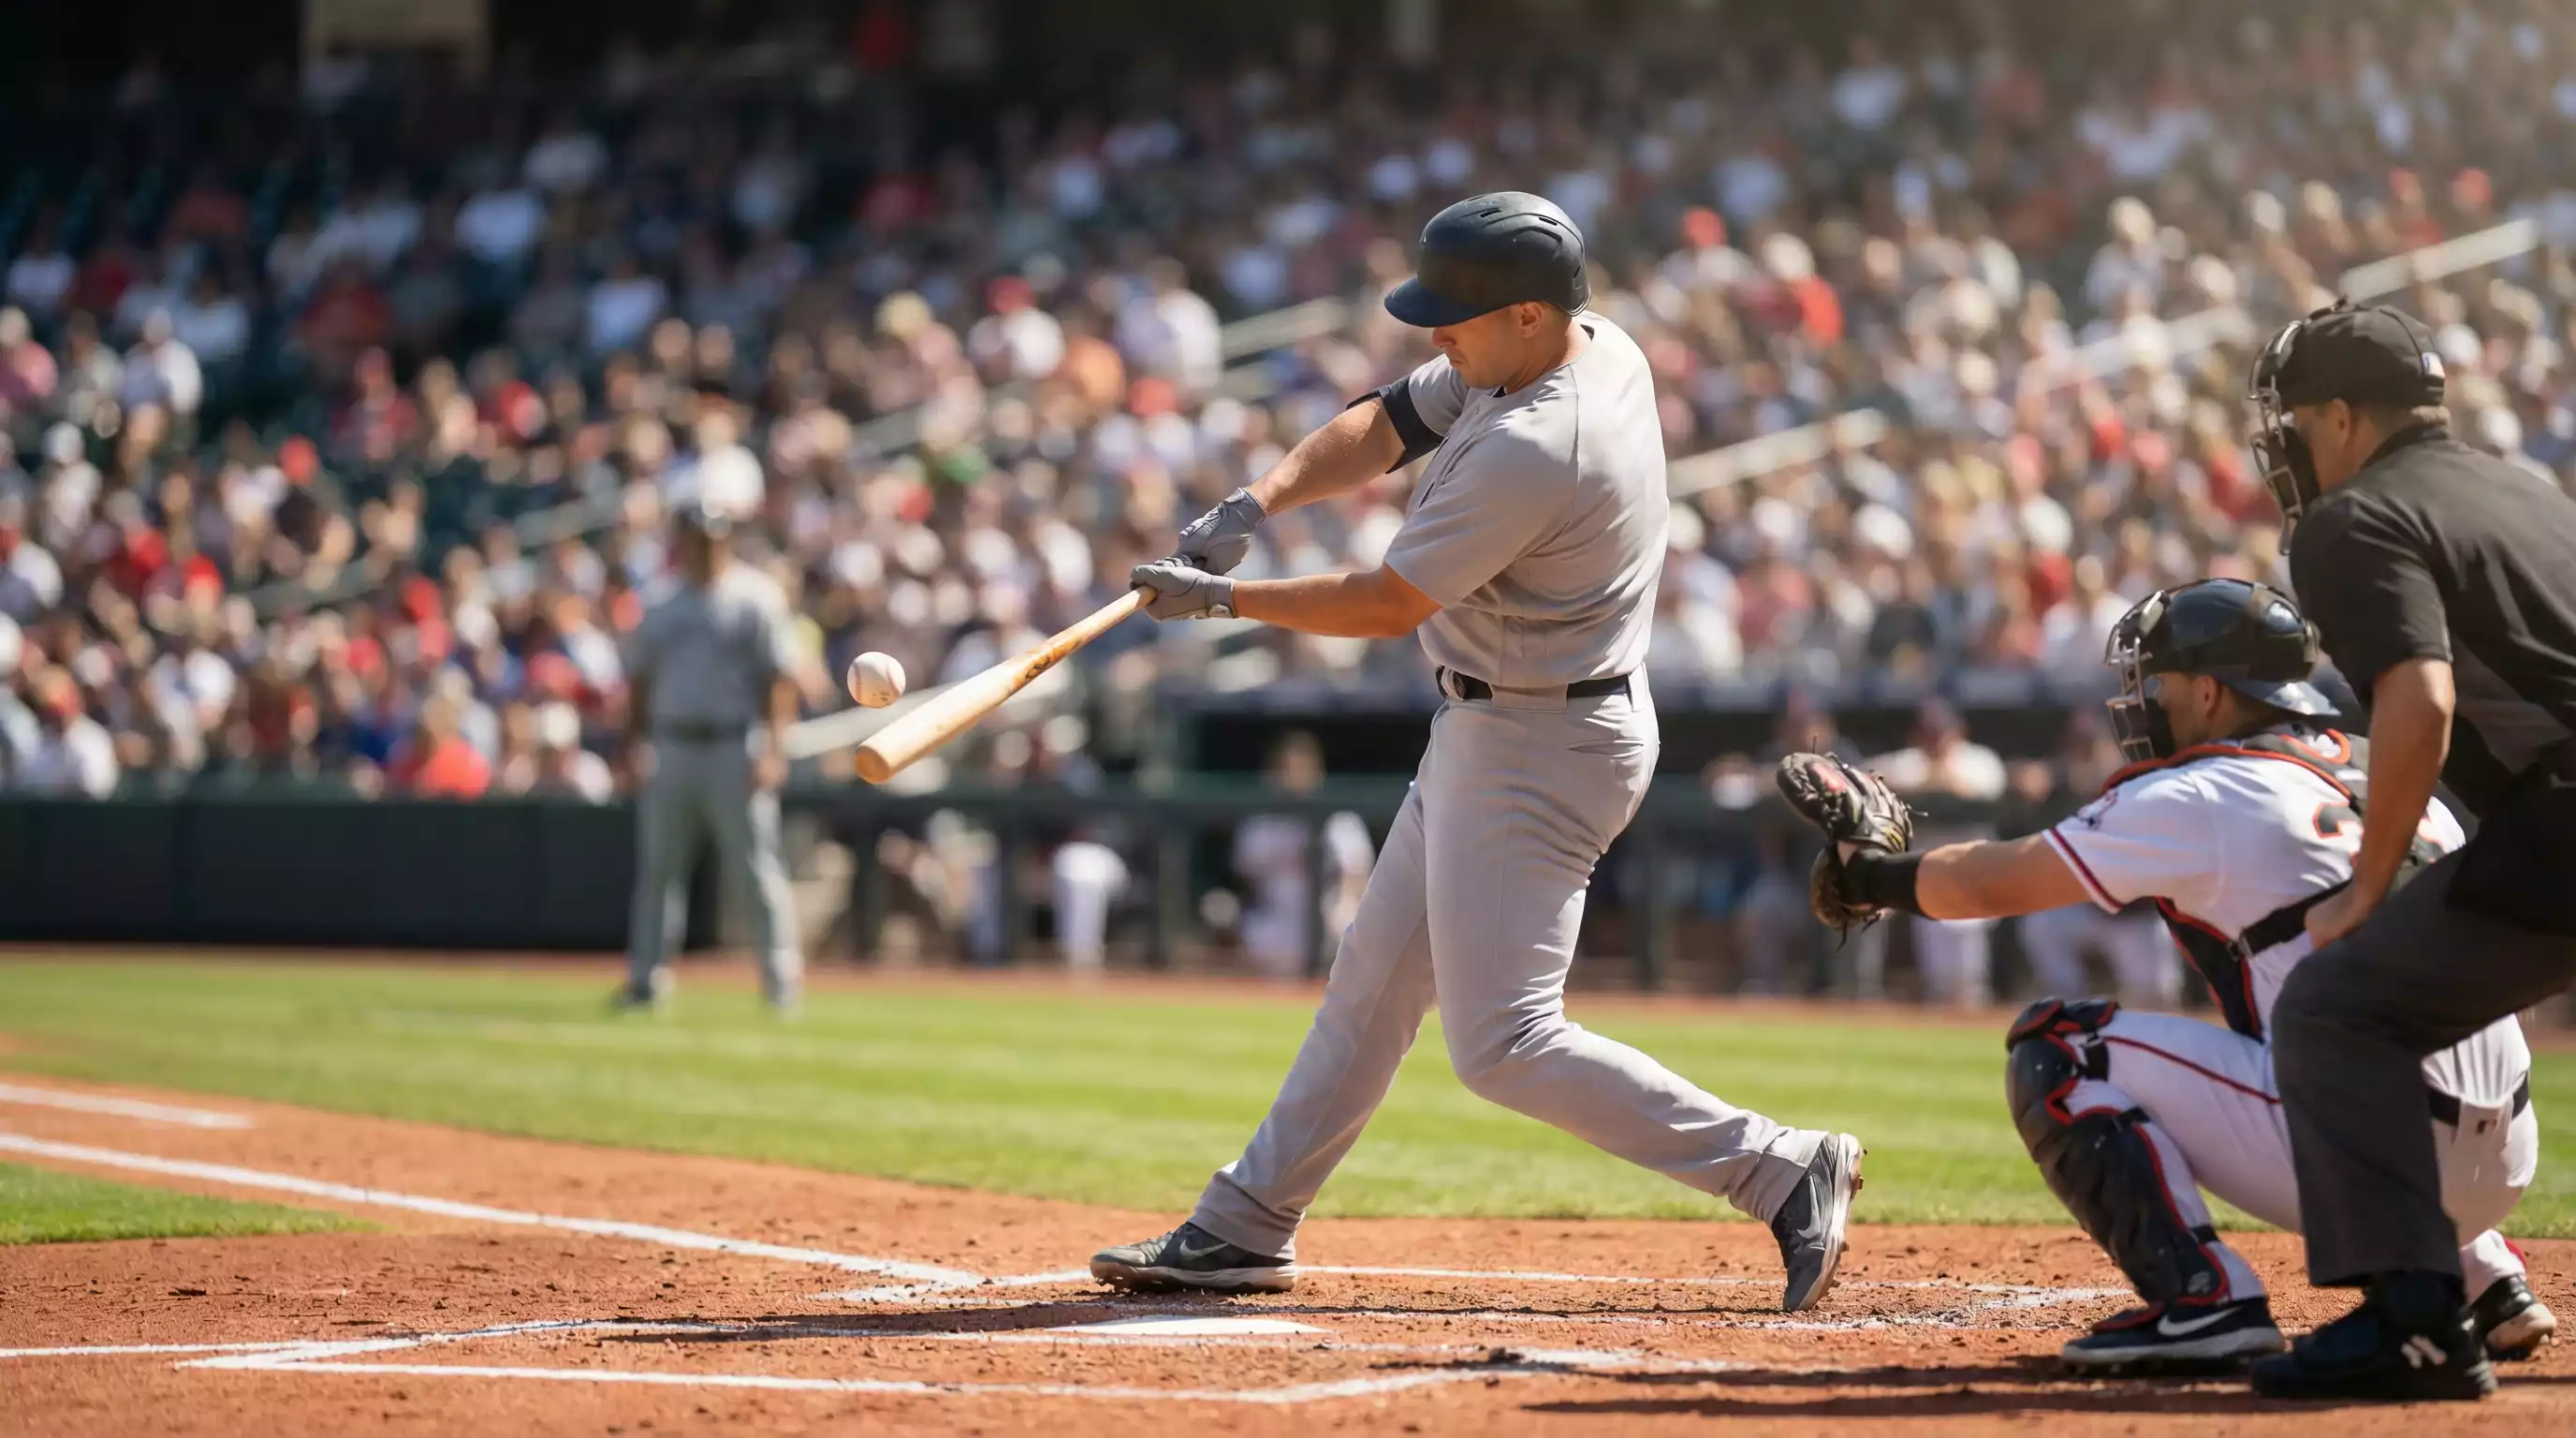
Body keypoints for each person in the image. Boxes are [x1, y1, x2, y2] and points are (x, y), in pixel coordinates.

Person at [1090, 193, 1864, 1313]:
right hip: (1500, 722)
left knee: (1503, 1040)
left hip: (1542, 738)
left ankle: (1780, 1166)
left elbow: (1388, 601)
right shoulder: (1575, 347)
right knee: (1371, 985)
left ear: (1531, 317)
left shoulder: (1544, 439)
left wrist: (1223, 602)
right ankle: (1245, 1225)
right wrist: (1254, 501)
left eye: (1457, 319)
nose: (1435, 337)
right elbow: (1393, 417)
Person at [1775, 579, 2549, 1374]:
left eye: (2159, 683)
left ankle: (2203, 1302)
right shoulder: (2393, 776)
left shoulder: (2207, 788)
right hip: (2509, 1149)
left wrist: (1870, 878)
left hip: (2381, 1156)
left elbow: (1989, 884)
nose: (2142, 702)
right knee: (2315, 1009)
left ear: (2211, 692)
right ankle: (2488, 1279)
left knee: (2062, 1048)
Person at [2247, 301, 2576, 1401]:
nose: (2286, 448)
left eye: (2292, 423)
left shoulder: (2349, 520)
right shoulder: (2522, 486)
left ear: (2338, 416)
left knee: (2340, 1005)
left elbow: (2420, 701)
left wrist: (2366, 886)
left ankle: (2416, 1324)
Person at [617, 501, 803, 1012]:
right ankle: (646, 980)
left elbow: (779, 681)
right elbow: (638, 683)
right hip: (672, 744)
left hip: (733, 744)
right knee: (659, 870)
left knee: (756, 868)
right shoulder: (661, 602)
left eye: (713, 536)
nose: (705, 546)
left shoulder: (755, 598)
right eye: (697, 536)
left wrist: (773, 748)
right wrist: (634, 745)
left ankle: (781, 981)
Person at [1231, 730, 1374, 978]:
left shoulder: (1341, 821)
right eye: (1287, 769)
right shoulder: (1260, 825)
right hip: (1275, 920)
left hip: (1329, 915)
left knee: (1348, 918)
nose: (1294, 776)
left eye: (1301, 768)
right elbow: (1245, 883)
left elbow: (1359, 879)